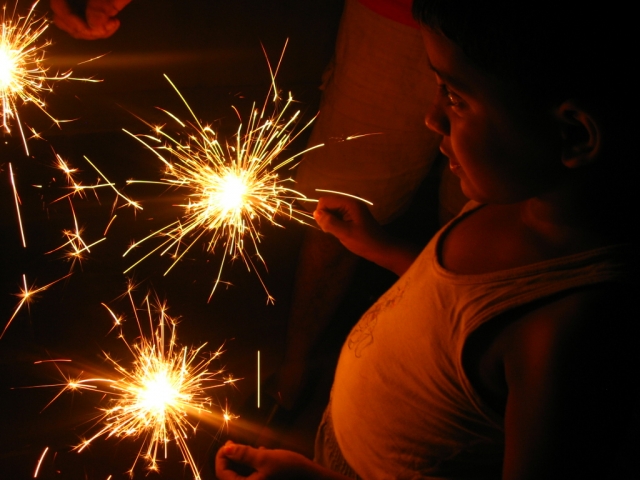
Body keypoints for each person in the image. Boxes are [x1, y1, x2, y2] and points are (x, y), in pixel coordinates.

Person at [215, 0, 638, 478]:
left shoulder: (563, 335)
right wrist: (379, 246)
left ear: (574, 135)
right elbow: (458, 303)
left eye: (455, 98)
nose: (431, 117)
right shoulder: (514, 197)